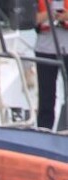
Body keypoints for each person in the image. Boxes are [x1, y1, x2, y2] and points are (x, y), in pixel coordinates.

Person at [34, 0, 68, 129]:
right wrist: (47, 15)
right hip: (45, 50)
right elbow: (24, 19)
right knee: (46, 97)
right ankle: (44, 131)